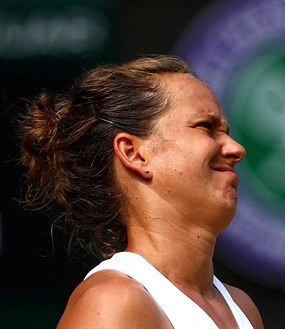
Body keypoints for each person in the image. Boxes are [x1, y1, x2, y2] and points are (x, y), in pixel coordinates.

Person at [19, 55, 263, 328]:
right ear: (134, 154)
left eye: (226, 132)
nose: (236, 149)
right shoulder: (112, 301)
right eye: (205, 127)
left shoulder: (242, 307)